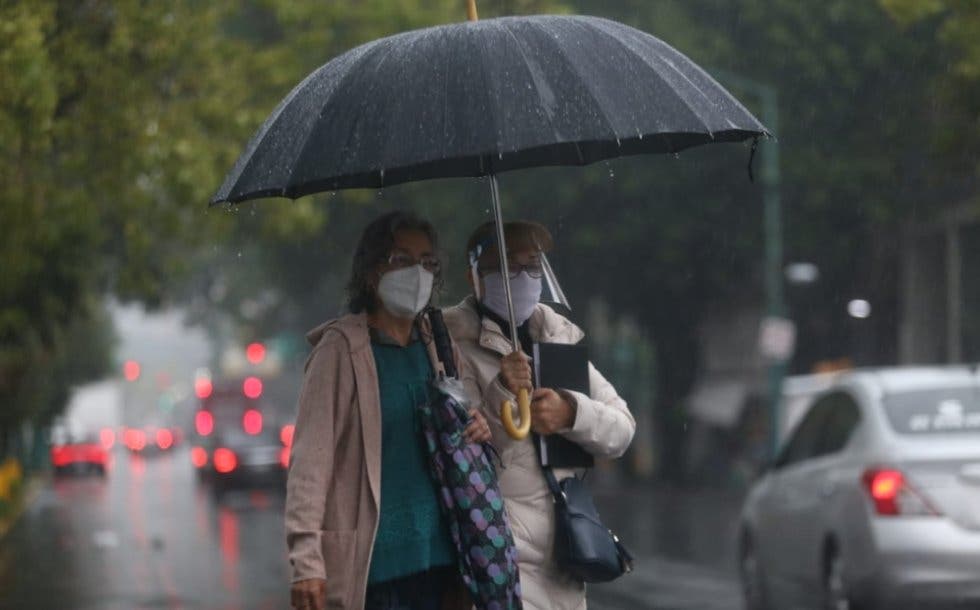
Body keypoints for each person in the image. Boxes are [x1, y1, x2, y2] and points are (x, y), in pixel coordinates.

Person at [285, 211, 492, 610]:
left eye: (427, 262)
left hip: (446, 564)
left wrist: (480, 427)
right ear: (370, 272)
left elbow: (469, 427)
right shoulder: (340, 352)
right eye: (401, 259)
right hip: (375, 571)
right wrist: (306, 561)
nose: (417, 272)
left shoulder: (440, 347)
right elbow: (310, 463)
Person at [442, 221, 636, 610]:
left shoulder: (557, 335)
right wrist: (501, 389)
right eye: (508, 267)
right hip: (497, 549)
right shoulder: (449, 343)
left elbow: (621, 430)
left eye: (532, 265)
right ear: (474, 276)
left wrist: (572, 414)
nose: (523, 277)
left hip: (567, 548)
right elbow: (462, 448)